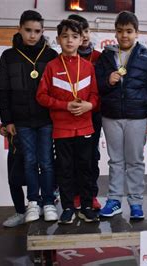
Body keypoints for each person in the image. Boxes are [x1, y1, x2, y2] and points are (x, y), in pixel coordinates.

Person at [95, 11, 147, 219]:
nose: (124, 35)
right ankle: (114, 200)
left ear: (137, 33)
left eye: (129, 31)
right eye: (120, 31)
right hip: (111, 116)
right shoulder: (105, 57)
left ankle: (136, 202)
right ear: (115, 32)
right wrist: (108, 80)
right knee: (115, 161)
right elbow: (96, 86)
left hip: (138, 117)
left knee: (134, 161)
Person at [0, 10, 58, 223]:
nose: (32, 35)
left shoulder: (51, 56)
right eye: (28, 30)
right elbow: (3, 90)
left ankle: (48, 202)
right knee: (29, 162)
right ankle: (32, 203)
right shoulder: (8, 56)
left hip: (46, 120)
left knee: (47, 162)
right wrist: (7, 121)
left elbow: (58, 90)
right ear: (19, 29)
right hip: (21, 121)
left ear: (43, 32)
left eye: (37, 31)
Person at [36, 19, 100, 224]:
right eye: (65, 36)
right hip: (62, 129)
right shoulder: (51, 67)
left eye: (74, 36)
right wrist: (64, 106)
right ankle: (68, 207)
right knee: (64, 169)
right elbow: (41, 96)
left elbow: (96, 96)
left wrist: (89, 106)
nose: (70, 41)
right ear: (58, 40)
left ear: (82, 39)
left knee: (86, 167)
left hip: (85, 127)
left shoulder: (89, 66)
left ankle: (87, 206)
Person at [67, 14, 102, 211]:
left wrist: (91, 105)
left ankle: (91, 194)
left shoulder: (99, 57)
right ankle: (74, 195)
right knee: (70, 157)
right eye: (81, 32)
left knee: (91, 156)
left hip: (93, 116)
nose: (85, 36)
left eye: (87, 31)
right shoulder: (63, 59)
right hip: (70, 117)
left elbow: (102, 88)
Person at [0, 125, 26, 227]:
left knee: (37, 178)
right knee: (13, 181)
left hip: (31, 145)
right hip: (14, 148)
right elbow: (9, 114)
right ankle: (20, 213)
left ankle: (42, 205)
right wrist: (2, 127)